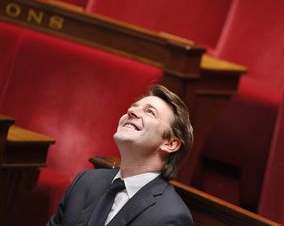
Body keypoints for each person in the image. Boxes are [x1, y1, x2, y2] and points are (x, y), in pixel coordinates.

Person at [47, 85, 194, 226]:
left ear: (170, 143)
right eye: (134, 106)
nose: (131, 111)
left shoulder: (170, 216)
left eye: (150, 112)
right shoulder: (85, 182)